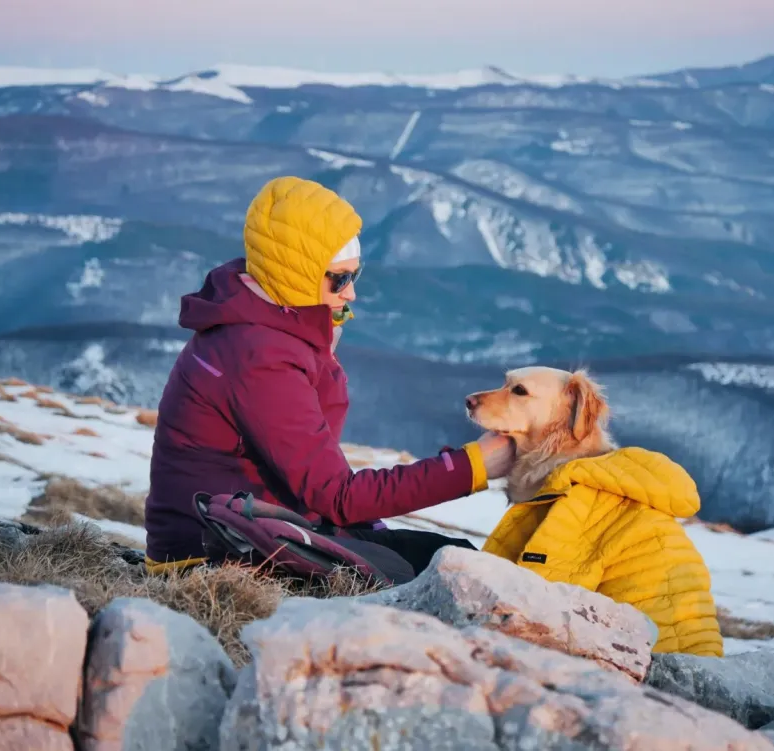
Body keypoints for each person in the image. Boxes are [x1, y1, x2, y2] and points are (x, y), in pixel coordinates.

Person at [144, 175, 516, 575]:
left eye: (355, 275)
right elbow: (338, 497)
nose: (351, 293)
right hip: (221, 551)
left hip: (247, 529)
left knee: (448, 556)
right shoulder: (261, 357)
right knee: (449, 571)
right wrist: (475, 465)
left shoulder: (263, 325)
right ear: (296, 274)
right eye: (340, 278)